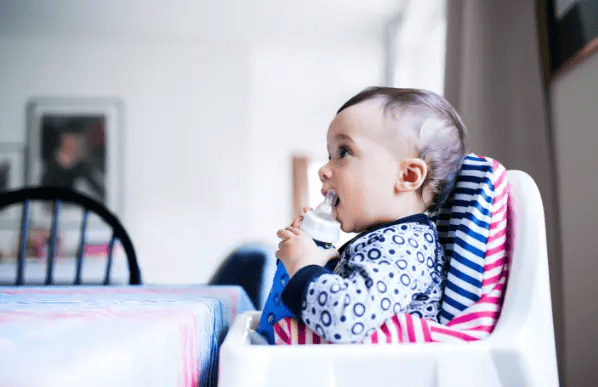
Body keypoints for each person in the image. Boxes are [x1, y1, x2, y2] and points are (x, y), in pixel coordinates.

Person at [273, 87, 467, 344]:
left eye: (343, 152)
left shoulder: (406, 247)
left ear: (407, 176)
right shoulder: (387, 239)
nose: (323, 169)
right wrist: (314, 257)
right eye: (329, 155)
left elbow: (346, 319)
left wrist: (304, 267)